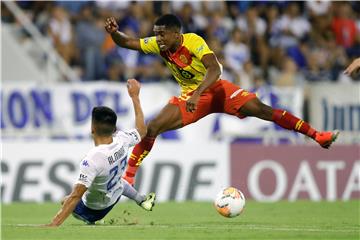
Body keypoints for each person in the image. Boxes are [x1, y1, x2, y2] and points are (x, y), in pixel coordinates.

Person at [104, 14, 339, 186]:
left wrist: (197, 93)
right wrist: (115, 32)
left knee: (263, 110)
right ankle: (130, 177)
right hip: (192, 96)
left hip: (217, 90)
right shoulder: (159, 44)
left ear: (177, 34)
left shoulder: (193, 41)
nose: (158, 38)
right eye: (156, 33)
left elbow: (214, 69)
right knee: (153, 127)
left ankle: (317, 136)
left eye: (162, 33)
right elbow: (128, 42)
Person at [46, 79, 156, 227]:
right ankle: (141, 199)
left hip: (93, 210)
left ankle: (91, 220)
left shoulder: (92, 159)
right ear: (114, 128)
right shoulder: (122, 139)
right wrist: (135, 97)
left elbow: (75, 196)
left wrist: (52, 225)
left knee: (66, 200)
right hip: (115, 196)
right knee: (117, 181)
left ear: (92, 128)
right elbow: (142, 130)